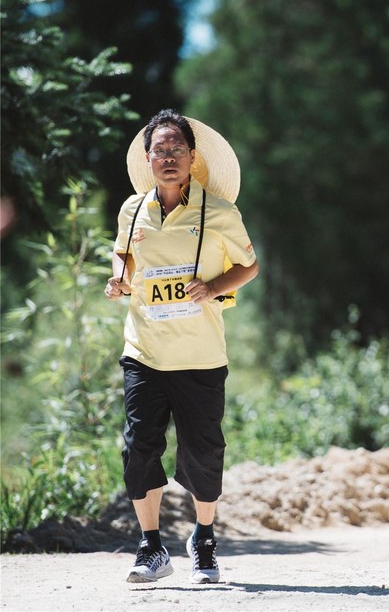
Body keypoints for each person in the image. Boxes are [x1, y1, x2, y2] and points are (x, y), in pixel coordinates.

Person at [104, 109, 259, 584]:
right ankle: (151, 547)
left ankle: (204, 540)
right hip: (144, 352)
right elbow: (125, 258)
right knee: (138, 451)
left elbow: (248, 267)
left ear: (193, 158)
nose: (168, 158)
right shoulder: (133, 210)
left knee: (202, 452)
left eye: (177, 150)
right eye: (159, 151)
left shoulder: (221, 212)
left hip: (201, 355)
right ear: (147, 159)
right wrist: (119, 280)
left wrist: (212, 288)